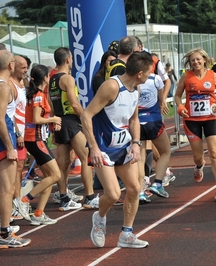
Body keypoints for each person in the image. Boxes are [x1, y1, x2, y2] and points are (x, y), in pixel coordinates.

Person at [81, 51, 151, 248]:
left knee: (135, 188)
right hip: (103, 147)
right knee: (112, 194)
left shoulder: (135, 89)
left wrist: (136, 143)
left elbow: (133, 119)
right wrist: (93, 148)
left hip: (123, 146)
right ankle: (99, 218)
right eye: (148, 72)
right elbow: (86, 115)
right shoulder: (112, 87)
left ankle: (126, 234)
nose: (149, 76)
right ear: (139, 73)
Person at [175, 48, 216, 203]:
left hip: (211, 118)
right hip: (192, 120)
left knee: (214, 153)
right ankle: (199, 166)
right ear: (190, 62)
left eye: (198, 59)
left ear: (205, 60)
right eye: (193, 60)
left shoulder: (213, 75)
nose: (196, 62)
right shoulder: (186, 77)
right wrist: (180, 108)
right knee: (198, 156)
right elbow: (177, 96)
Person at [49, 47, 97, 211]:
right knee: (86, 159)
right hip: (70, 121)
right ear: (69, 59)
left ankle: (64, 198)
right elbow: (74, 103)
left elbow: (51, 106)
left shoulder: (52, 80)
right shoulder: (67, 79)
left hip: (59, 122)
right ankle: (90, 197)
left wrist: (54, 125)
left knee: (63, 163)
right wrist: (85, 117)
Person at [19, 64, 62, 225]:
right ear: (45, 78)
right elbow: (36, 119)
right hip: (34, 140)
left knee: (49, 178)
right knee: (56, 175)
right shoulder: (37, 95)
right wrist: (53, 119)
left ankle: (38, 213)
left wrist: (51, 124)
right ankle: (24, 200)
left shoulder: (35, 93)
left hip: (36, 138)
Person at [0, 49, 31, 248]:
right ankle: (4, 232)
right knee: (6, 189)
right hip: (3, 141)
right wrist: (10, 146)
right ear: (10, 66)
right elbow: (0, 120)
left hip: (5, 137)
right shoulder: (3, 87)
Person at [138, 72, 171, 203]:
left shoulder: (130, 79)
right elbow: (161, 100)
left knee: (140, 158)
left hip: (136, 122)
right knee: (165, 152)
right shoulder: (155, 78)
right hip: (153, 121)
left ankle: (140, 192)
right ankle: (157, 183)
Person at [8, 55, 29, 220]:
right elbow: (11, 113)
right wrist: (17, 133)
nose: (26, 70)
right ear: (13, 67)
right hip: (15, 134)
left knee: (19, 168)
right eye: (23, 67)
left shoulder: (21, 84)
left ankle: (15, 201)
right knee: (14, 170)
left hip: (21, 132)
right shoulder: (10, 85)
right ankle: (13, 204)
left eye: (27, 67)